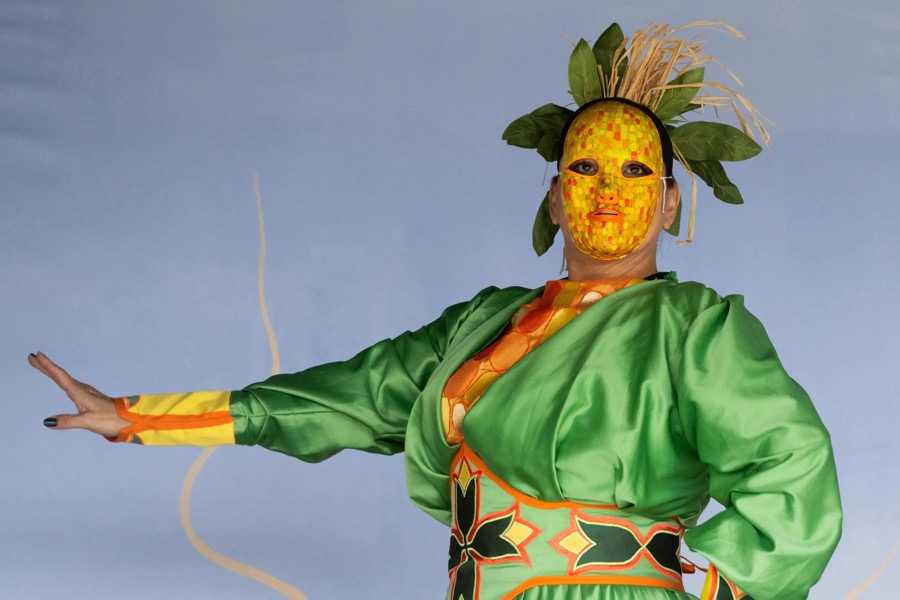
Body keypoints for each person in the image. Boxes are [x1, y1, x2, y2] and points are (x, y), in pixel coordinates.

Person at [31, 22, 841, 600]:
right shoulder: (483, 325)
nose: (605, 188)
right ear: (554, 196)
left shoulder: (695, 330)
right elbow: (345, 399)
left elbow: (792, 468)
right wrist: (139, 418)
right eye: (584, 164)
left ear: (668, 202)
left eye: (634, 172)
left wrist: (725, 591)